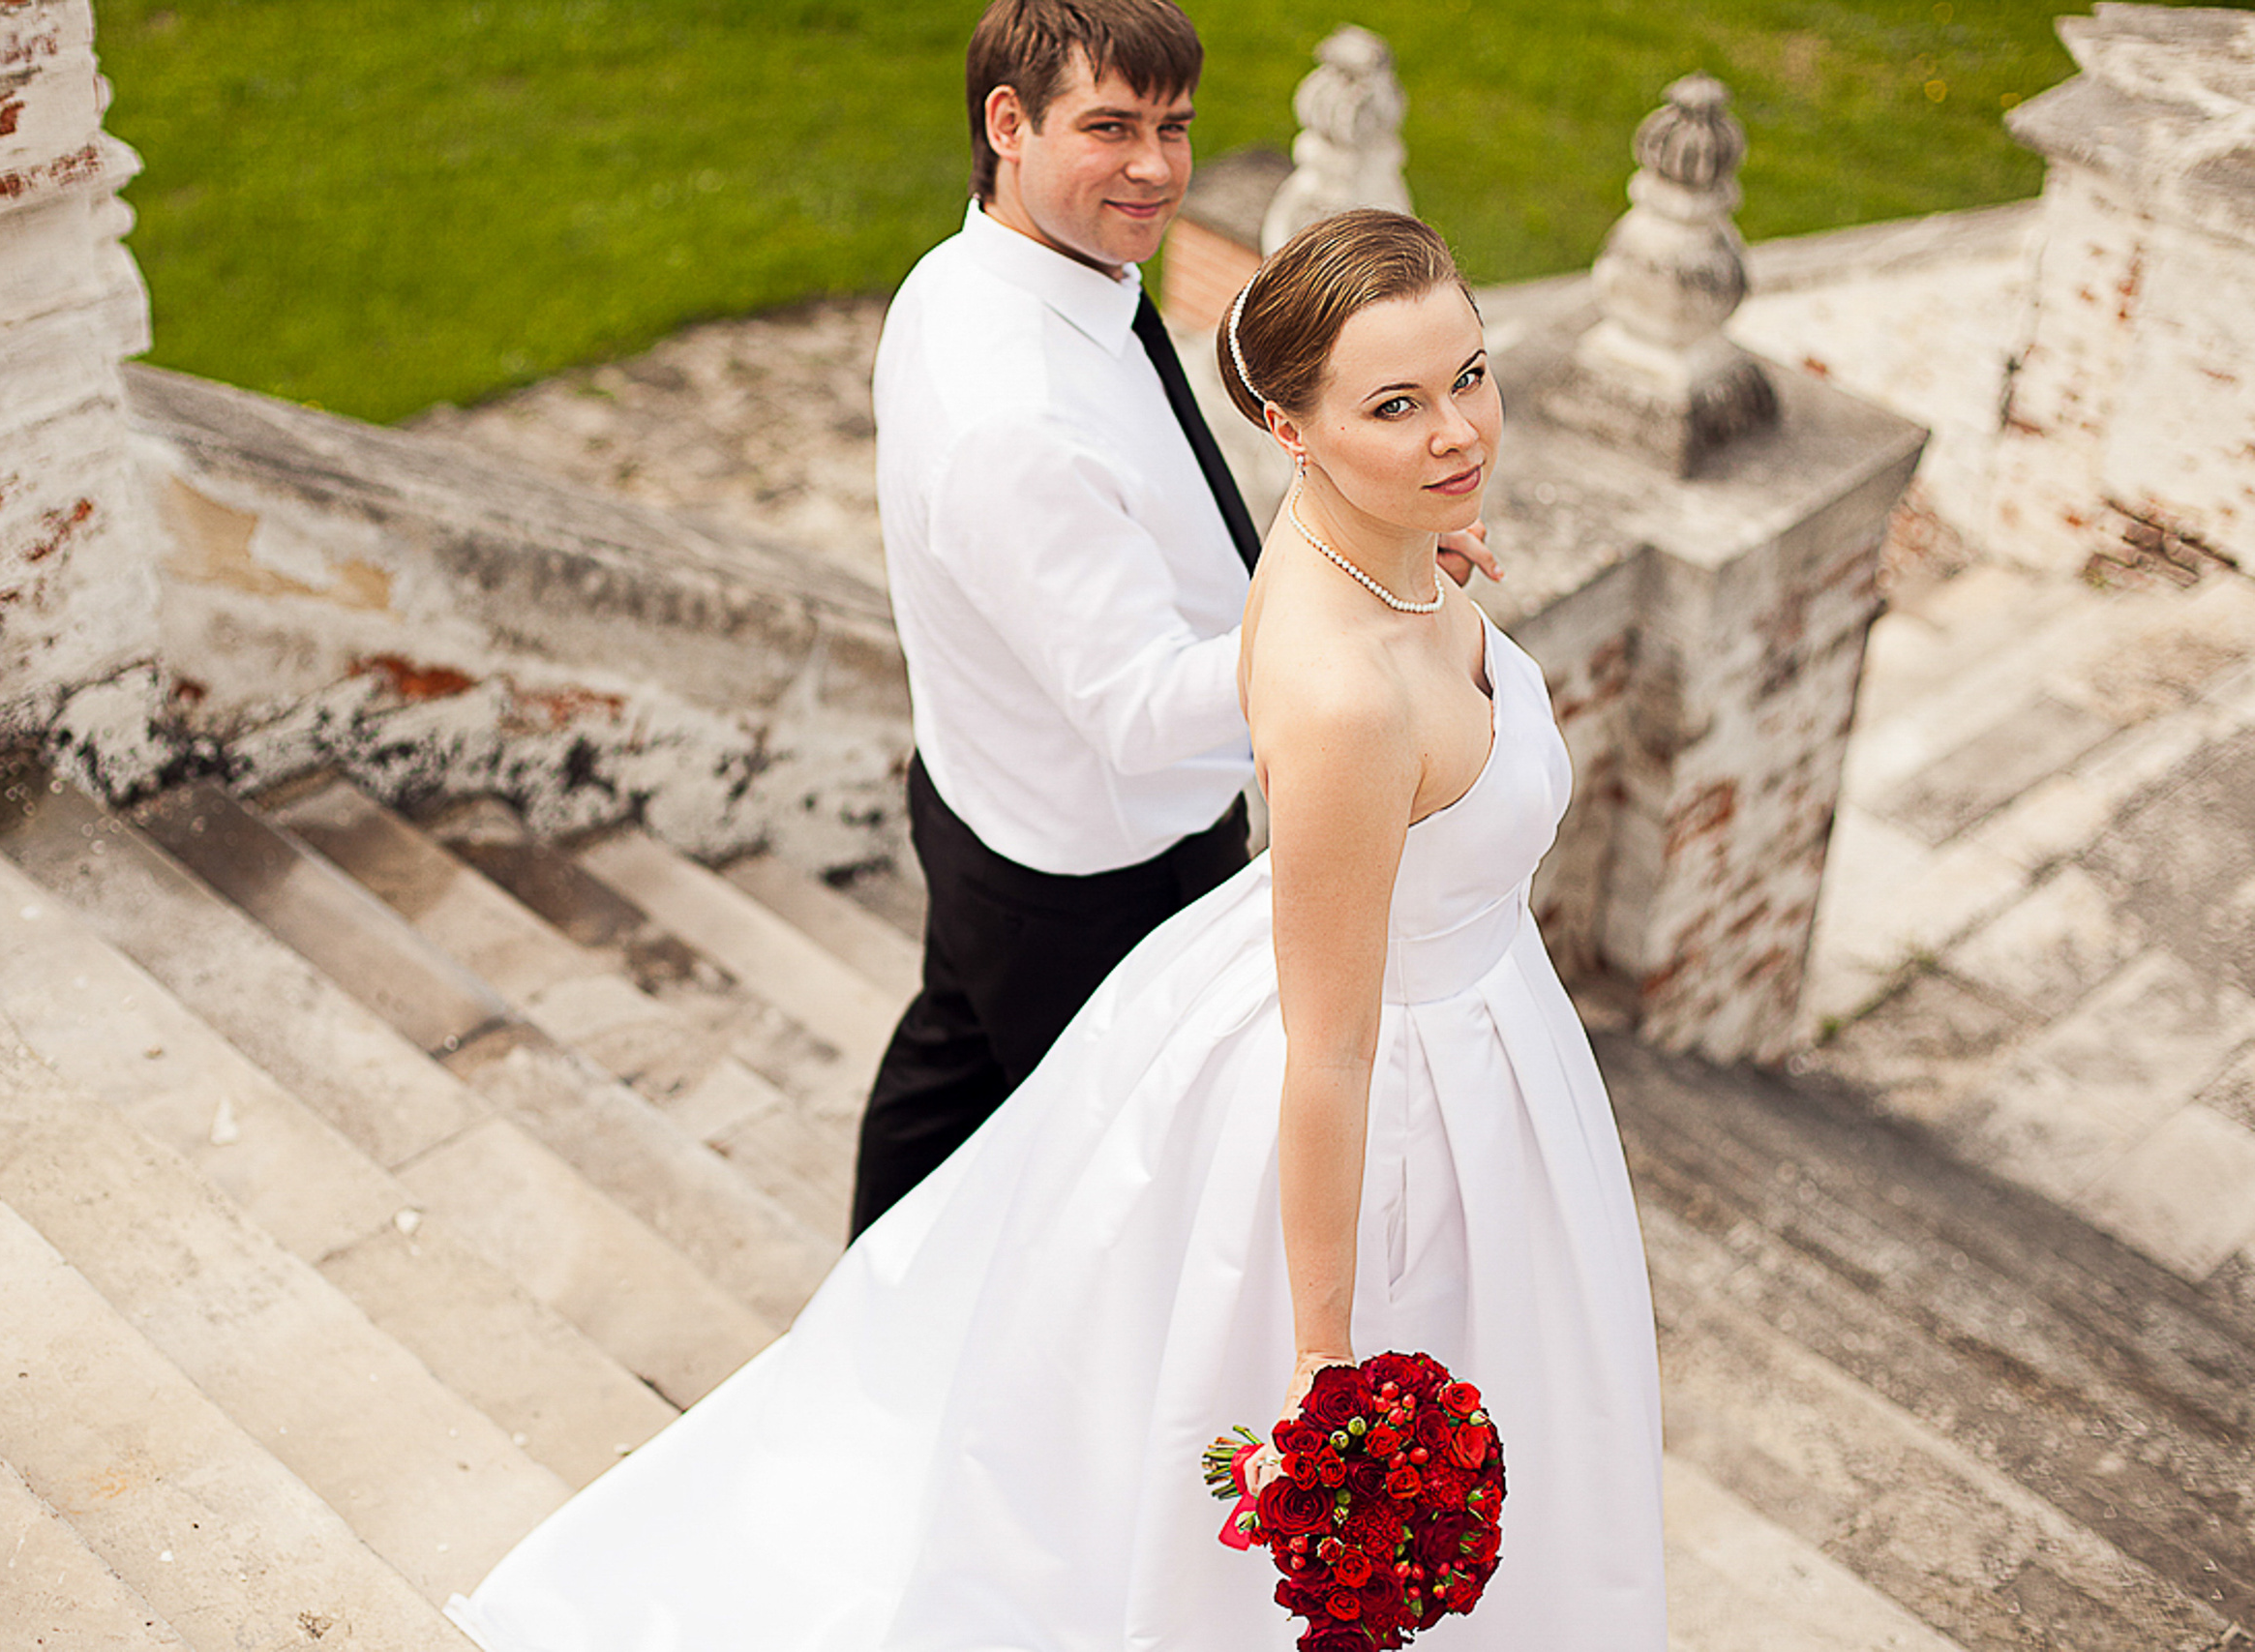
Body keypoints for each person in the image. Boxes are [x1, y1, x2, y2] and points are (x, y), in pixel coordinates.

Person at [445, 207, 1668, 1652]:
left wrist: (1419, 514)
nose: (1460, 429)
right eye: (1394, 405)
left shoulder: (1347, 536)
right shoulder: (1345, 702)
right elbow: (1332, 1047)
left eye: (1469, 374)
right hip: (1397, 1097)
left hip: (1472, 1024)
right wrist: (1328, 1358)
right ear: (1291, 427)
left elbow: (1369, 555)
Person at [854, 0, 1492, 1236]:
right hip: (1094, 873)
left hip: (983, 793)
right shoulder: (1018, 418)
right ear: (1008, 121)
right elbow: (1143, 716)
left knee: (950, 1067)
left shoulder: (984, 275)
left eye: (1175, 125)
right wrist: (1363, 598)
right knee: (1124, 1193)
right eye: (1110, 128)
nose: (1156, 168)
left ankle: (861, 1290)